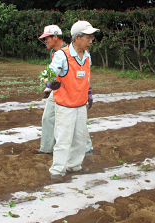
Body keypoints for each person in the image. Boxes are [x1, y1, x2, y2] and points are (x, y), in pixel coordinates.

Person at [42, 21, 99, 182]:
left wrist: (88, 92)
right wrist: (49, 83)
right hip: (65, 105)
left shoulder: (87, 56)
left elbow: (86, 76)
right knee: (63, 139)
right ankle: (57, 171)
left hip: (80, 105)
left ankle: (74, 166)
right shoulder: (62, 55)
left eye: (92, 37)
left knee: (79, 139)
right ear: (77, 37)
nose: (91, 40)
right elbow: (48, 73)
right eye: (88, 37)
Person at [33, 24, 93, 157]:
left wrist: (87, 91)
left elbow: (84, 73)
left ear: (55, 37)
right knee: (48, 118)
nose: (45, 41)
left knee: (78, 118)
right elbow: (51, 74)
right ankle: (46, 147)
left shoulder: (73, 50)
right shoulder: (54, 53)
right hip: (59, 91)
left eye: (47, 38)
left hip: (72, 92)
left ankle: (87, 147)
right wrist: (48, 86)